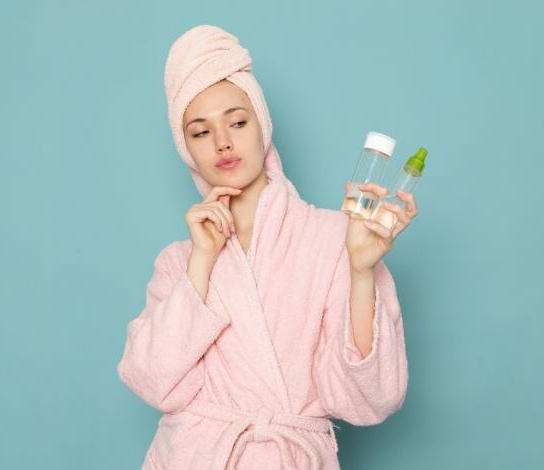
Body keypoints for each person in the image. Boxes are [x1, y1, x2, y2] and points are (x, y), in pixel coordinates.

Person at [117, 24, 416, 470]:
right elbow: (151, 381)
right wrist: (202, 261)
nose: (222, 142)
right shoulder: (178, 262)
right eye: (200, 132)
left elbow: (369, 400)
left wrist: (360, 272)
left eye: (238, 122)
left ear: (263, 127)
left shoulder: (334, 238)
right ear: (187, 151)